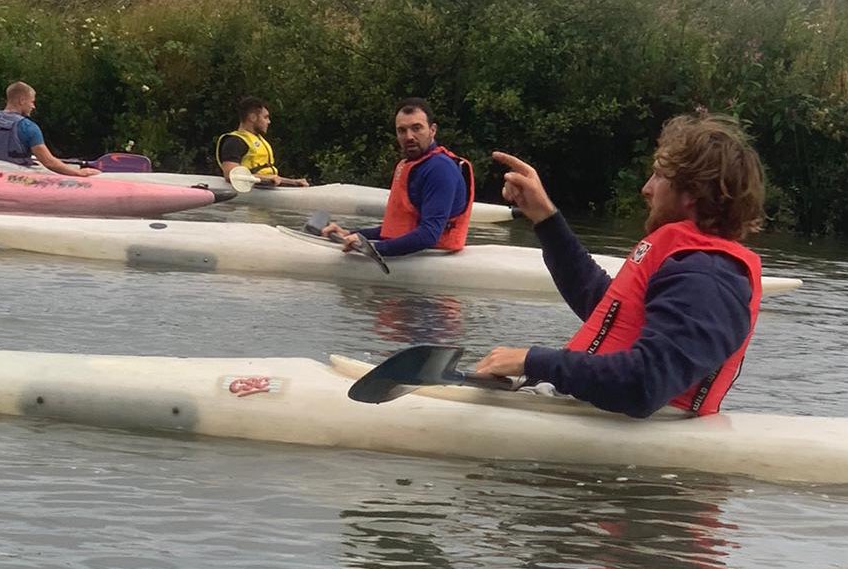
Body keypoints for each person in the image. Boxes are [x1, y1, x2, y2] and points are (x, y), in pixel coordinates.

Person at [475, 113, 765, 419]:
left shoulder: (709, 277)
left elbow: (645, 384)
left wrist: (533, 361)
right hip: (589, 409)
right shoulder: (692, 265)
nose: (646, 188)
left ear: (692, 192)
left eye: (658, 175)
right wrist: (545, 218)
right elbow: (606, 309)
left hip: (632, 431)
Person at [321, 97, 474, 257]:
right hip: (415, 253)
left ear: (432, 130)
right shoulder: (413, 165)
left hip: (433, 257)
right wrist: (350, 234)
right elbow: (396, 229)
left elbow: (429, 235)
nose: (409, 136)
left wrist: (374, 250)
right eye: (402, 130)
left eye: (417, 128)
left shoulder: (440, 169)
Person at [0, 82, 100, 176]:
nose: (33, 106)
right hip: (14, 176)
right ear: (22, 100)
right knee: (62, 167)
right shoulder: (28, 127)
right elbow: (49, 162)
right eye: (32, 102)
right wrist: (78, 173)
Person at [215, 97, 309, 187]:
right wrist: (265, 179)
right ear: (252, 117)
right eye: (265, 117)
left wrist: (293, 182)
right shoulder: (234, 142)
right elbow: (231, 175)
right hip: (250, 191)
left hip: (264, 188)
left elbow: (272, 178)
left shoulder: (257, 139)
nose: (269, 122)